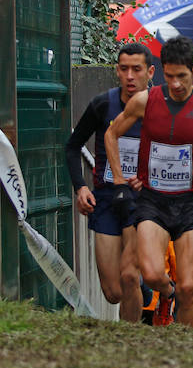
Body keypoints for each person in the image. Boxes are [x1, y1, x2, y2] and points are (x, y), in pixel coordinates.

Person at [105, 36, 193, 328]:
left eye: (181, 76)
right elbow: (112, 134)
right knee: (151, 274)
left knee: (189, 286)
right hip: (153, 201)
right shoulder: (145, 100)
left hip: (191, 204)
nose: (175, 84)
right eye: (169, 76)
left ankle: (183, 344)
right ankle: (167, 293)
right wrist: (119, 179)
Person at [65, 42, 154, 323]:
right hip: (106, 199)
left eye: (136, 69)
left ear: (150, 72)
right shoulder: (103, 104)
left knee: (129, 277)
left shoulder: (161, 109)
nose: (130, 76)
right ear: (117, 70)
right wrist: (80, 187)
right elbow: (72, 146)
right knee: (113, 292)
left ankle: (130, 340)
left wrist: (148, 179)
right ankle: (143, 288)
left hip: (142, 203)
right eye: (124, 69)